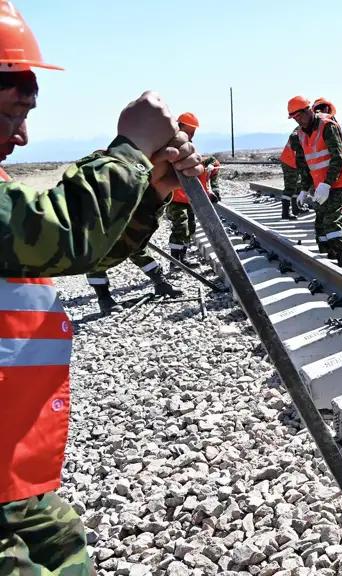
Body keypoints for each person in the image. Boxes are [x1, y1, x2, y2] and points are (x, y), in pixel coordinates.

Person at [0, 4, 203, 573]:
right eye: (13, 109)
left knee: (64, 548)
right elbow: (62, 232)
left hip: (11, 476)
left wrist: (151, 191)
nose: (24, 134)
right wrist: (131, 150)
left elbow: (82, 249)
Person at [287, 96, 342, 265]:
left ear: (308, 111)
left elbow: (338, 158)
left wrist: (327, 183)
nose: (298, 121)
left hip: (340, 181)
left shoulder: (327, 126)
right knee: (321, 220)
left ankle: (341, 257)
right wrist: (304, 189)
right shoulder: (300, 134)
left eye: (300, 116)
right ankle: (329, 253)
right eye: (295, 118)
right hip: (321, 184)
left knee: (331, 219)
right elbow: (304, 165)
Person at [166, 112, 220, 265]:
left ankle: (182, 258)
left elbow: (197, 173)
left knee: (190, 227)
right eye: (189, 131)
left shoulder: (188, 147)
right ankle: (175, 261)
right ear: (179, 127)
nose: (191, 134)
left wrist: (208, 189)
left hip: (187, 198)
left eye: (193, 131)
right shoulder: (173, 145)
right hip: (174, 199)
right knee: (181, 227)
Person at [279, 138, 303, 220]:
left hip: (293, 160)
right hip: (290, 161)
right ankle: (285, 213)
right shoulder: (302, 130)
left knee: (298, 185)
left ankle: (296, 209)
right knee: (290, 187)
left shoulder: (305, 128)